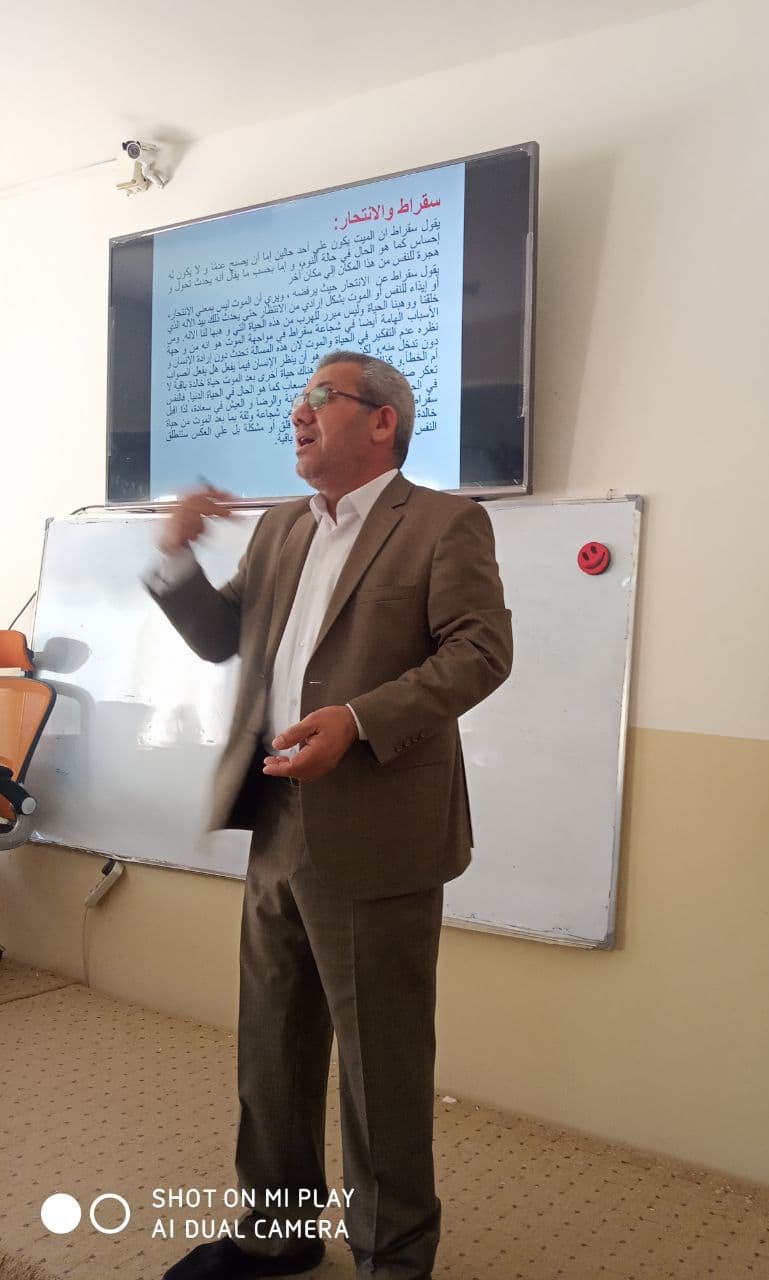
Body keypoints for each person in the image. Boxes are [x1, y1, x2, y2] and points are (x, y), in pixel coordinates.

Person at [148, 351, 513, 1280]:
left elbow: (480, 651)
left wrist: (357, 720)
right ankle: (275, 1235)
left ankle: (393, 1257)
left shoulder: (443, 522)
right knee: (273, 1042)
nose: (299, 413)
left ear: (383, 420)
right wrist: (178, 556)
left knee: (380, 1063)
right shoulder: (282, 528)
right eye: (300, 400)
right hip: (274, 810)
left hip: (379, 826)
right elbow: (223, 640)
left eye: (321, 397)